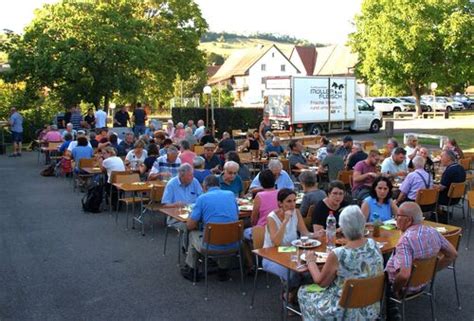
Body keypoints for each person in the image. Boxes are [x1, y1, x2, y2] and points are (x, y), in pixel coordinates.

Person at [298, 206, 384, 321]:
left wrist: (310, 261)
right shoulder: (373, 244)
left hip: (344, 311)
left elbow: (321, 282)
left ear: (342, 228)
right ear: (363, 224)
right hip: (370, 307)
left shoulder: (339, 254)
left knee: (303, 292)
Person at [385, 202, 457, 319]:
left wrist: (394, 290)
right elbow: (452, 254)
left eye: (397, 216)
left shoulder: (405, 240)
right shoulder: (432, 231)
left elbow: (404, 276)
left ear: (408, 220)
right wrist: (430, 272)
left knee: (379, 270)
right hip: (423, 283)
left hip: (405, 287)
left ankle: (389, 310)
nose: (396, 219)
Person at [181, 175, 238, 281]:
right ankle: (223, 270)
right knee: (225, 231)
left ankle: (192, 269)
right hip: (234, 243)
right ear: (219, 185)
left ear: (204, 186)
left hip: (210, 245)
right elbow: (236, 216)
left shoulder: (202, 198)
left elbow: (190, 225)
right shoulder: (231, 195)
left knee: (193, 233)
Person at [263, 189, 319, 291]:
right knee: (295, 274)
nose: (293, 204)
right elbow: (276, 243)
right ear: (280, 203)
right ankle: (289, 295)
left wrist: (315, 234)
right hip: (271, 255)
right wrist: (285, 221)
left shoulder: (296, 212)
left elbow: (304, 233)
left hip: (290, 252)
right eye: (289, 201)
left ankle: (294, 294)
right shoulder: (271, 217)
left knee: (309, 268)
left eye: (294, 201)